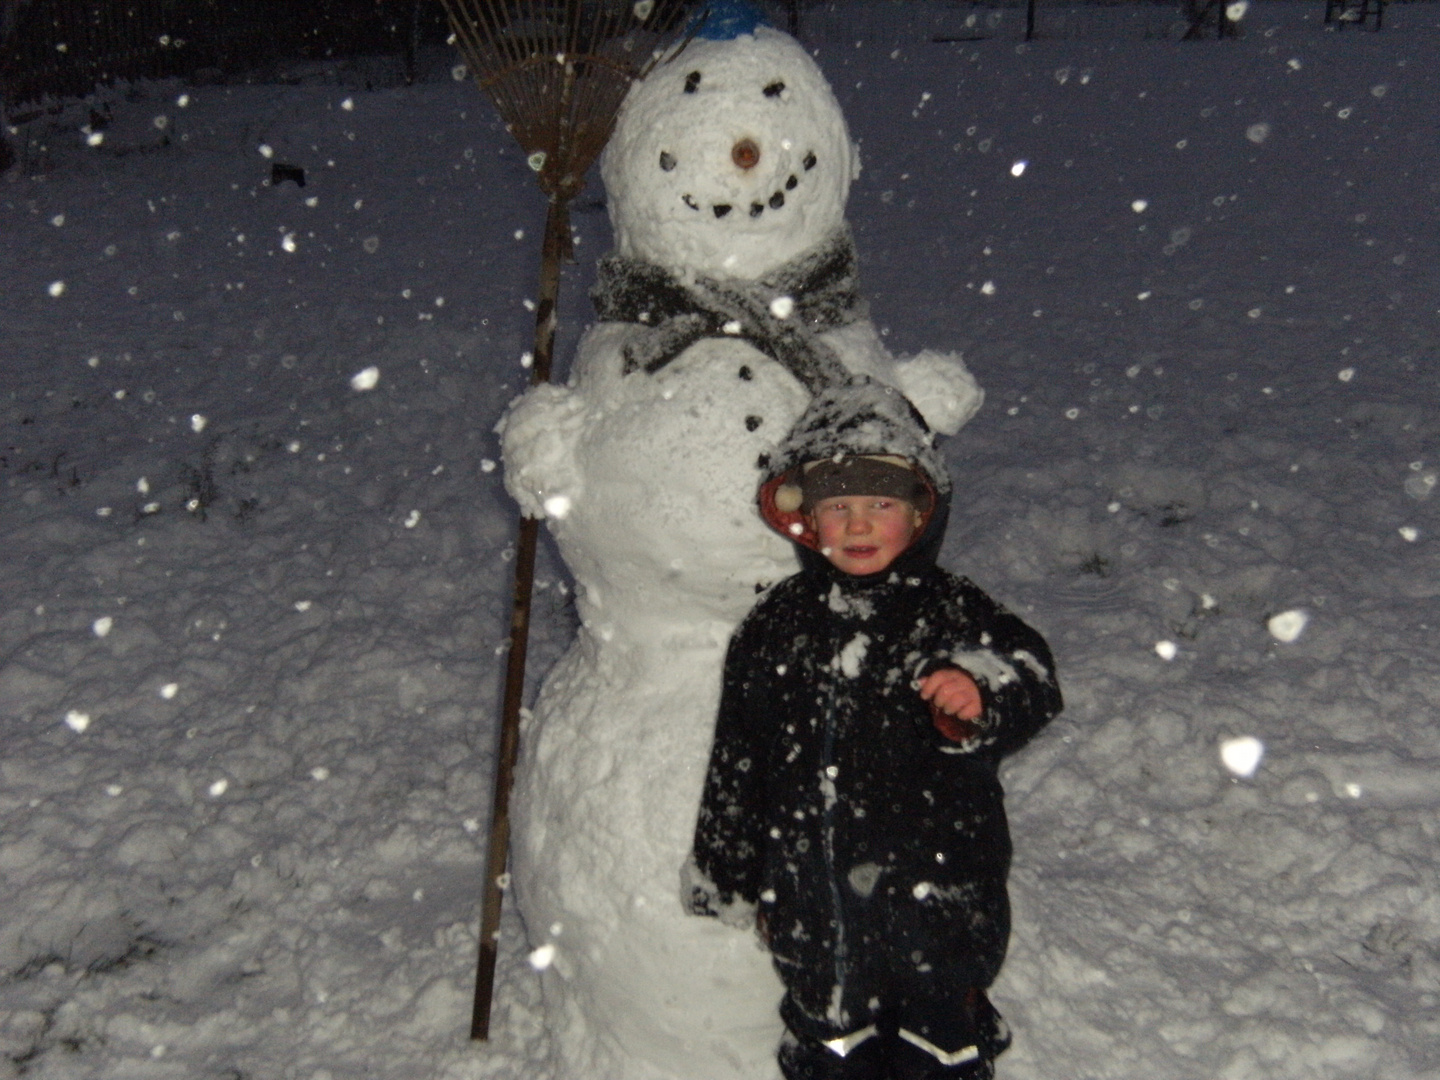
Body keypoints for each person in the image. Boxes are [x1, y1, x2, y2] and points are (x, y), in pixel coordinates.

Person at [686, 380, 1063, 1080]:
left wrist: (981, 688)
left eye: (881, 505)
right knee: (831, 1051)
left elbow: (1033, 674)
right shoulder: (776, 626)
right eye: (839, 507)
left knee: (939, 1053)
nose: (859, 525)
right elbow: (739, 753)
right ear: (805, 520)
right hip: (816, 912)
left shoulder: (951, 612)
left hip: (940, 905)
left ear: (921, 513)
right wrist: (725, 864)